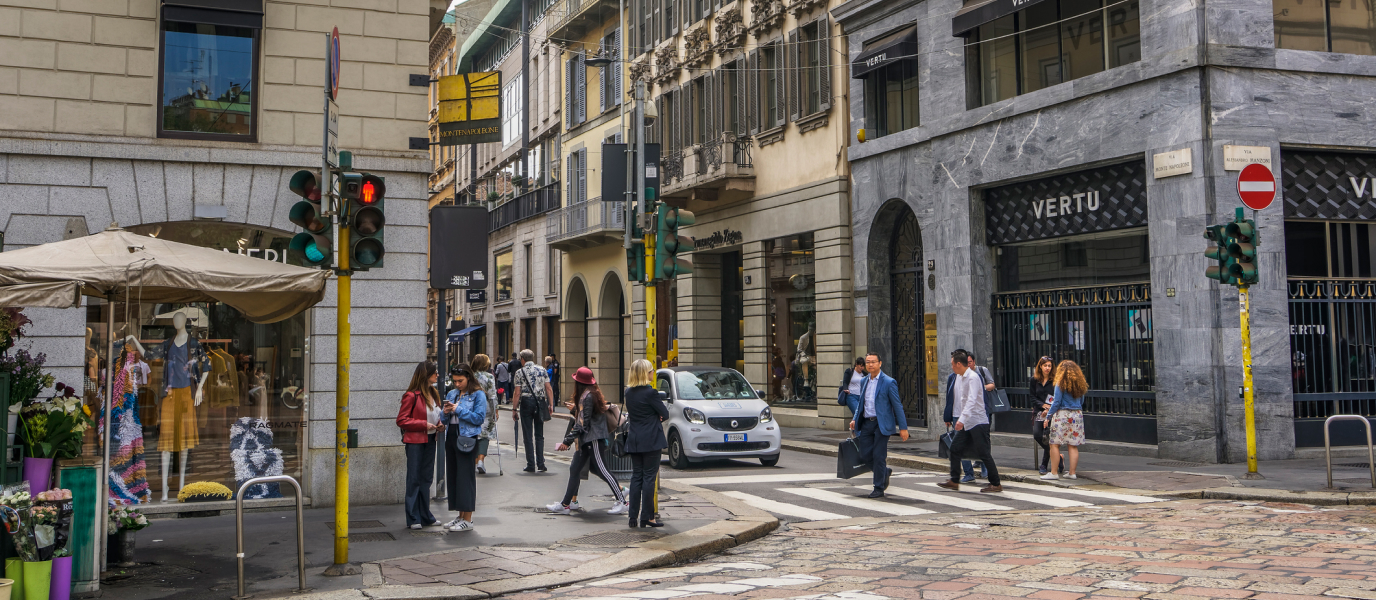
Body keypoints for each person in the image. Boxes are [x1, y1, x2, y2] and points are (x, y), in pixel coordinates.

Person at [547, 367, 629, 515]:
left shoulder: (588, 397)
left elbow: (582, 423)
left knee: (603, 470)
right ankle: (565, 504)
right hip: (588, 439)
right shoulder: (590, 394)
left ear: (579, 382)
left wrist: (567, 441)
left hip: (593, 439)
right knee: (575, 469)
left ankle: (623, 501)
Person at [938, 350, 1002, 493]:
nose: (951, 367)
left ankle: (996, 483)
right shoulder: (959, 377)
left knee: (984, 453)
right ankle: (954, 480)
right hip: (966, 422)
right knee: (954, 448)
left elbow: (972, 400)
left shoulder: (973, 377)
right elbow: (960, 400)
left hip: (978, 421)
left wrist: (961, 419)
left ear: (959, 364)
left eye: (952, 364)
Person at [847, 353, 909, 498]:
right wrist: (855, 418)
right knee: (864, 454)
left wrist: (903, 428)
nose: (870, 365)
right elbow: (861, 403)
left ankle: (878, 487)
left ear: (880, 363)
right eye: (868, 362)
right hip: (867, 423)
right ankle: (884, 472)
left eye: (873, 362)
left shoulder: (888, 382)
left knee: (879, 455)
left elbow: (897, 405)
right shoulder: (864, 381)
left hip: (882, 424)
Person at [396, 361, 443, 529]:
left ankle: (425, 516)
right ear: (426, 374)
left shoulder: (433, 393)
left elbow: (436, 415)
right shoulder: (411, 395)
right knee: (414, 479)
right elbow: (401, 420)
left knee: (426, 479)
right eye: (434, 372)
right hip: (415, 442)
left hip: (431, 440)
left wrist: (439, 424)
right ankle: (413, 517)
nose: (437, 375)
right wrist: (424, 425)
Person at [623, 359, 668, 528]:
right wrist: (656, 416)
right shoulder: (651, 393)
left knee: (636, 477)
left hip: (635, 439)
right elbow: (665, 413)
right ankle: (648, 517)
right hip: (651, 440)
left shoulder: (628, 392)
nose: (653, 373)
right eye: (651, 370)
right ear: (645, 373)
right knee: (649, 478)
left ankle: (632, 517)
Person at [441, 367, 487, 532]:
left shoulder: (478, 394)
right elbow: (443, 419)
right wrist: (445, 412)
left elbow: (479, 418)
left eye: (460, 380)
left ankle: (467, 519)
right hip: (452, 436)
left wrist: (458, 410)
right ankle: (460, 516)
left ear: (469, 377)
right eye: (455, 381)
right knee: (454, 476)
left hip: (467, 438)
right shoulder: (452, 394)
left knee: (465, 477)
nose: (457, 384)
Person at [1041, 360, 1088, 480]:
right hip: (1077, 415)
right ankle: (1072, 473)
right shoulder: (1080, 384)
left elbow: (1056, 402)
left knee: (1054, 444)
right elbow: (1081, 401)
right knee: (1073, 445)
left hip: (1062, 415)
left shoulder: (1060, 383)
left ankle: (1054, 472)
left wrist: (1048, 416)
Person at [512, 349, 554, 472]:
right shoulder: (542, 370)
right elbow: (548, 388)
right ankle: (541, 463)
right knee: (539, 435)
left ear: (522, 359)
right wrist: (550, 404)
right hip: (540, 402)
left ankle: (531, 464)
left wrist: (514, 409)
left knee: (527, 435)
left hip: (526, 402)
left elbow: (517, 392)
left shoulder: (520, 372)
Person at [470, 354, 500, 474]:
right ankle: (481, 459)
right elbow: (493, 396)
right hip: (485, 407)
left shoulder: (469, 376)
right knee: (485, 434)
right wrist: (495, 411)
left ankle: (474, 460)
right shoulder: (489, 377)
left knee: (473, 433)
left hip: (471, 407)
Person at [1029, 356, 1058, 475]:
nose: (1047, 368)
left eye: (1049, 366)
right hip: (1039, 412)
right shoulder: (1034, 380)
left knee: (1048, 437)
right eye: (1045, 365)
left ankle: (1044, 464)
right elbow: (1032, 397)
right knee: (1037, 434)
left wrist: (1049, 408)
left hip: (1052, 412)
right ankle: (1057, 456)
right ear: (1040, 366)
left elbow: (1056, 397)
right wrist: (1043, 406)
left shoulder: (1055, 380)